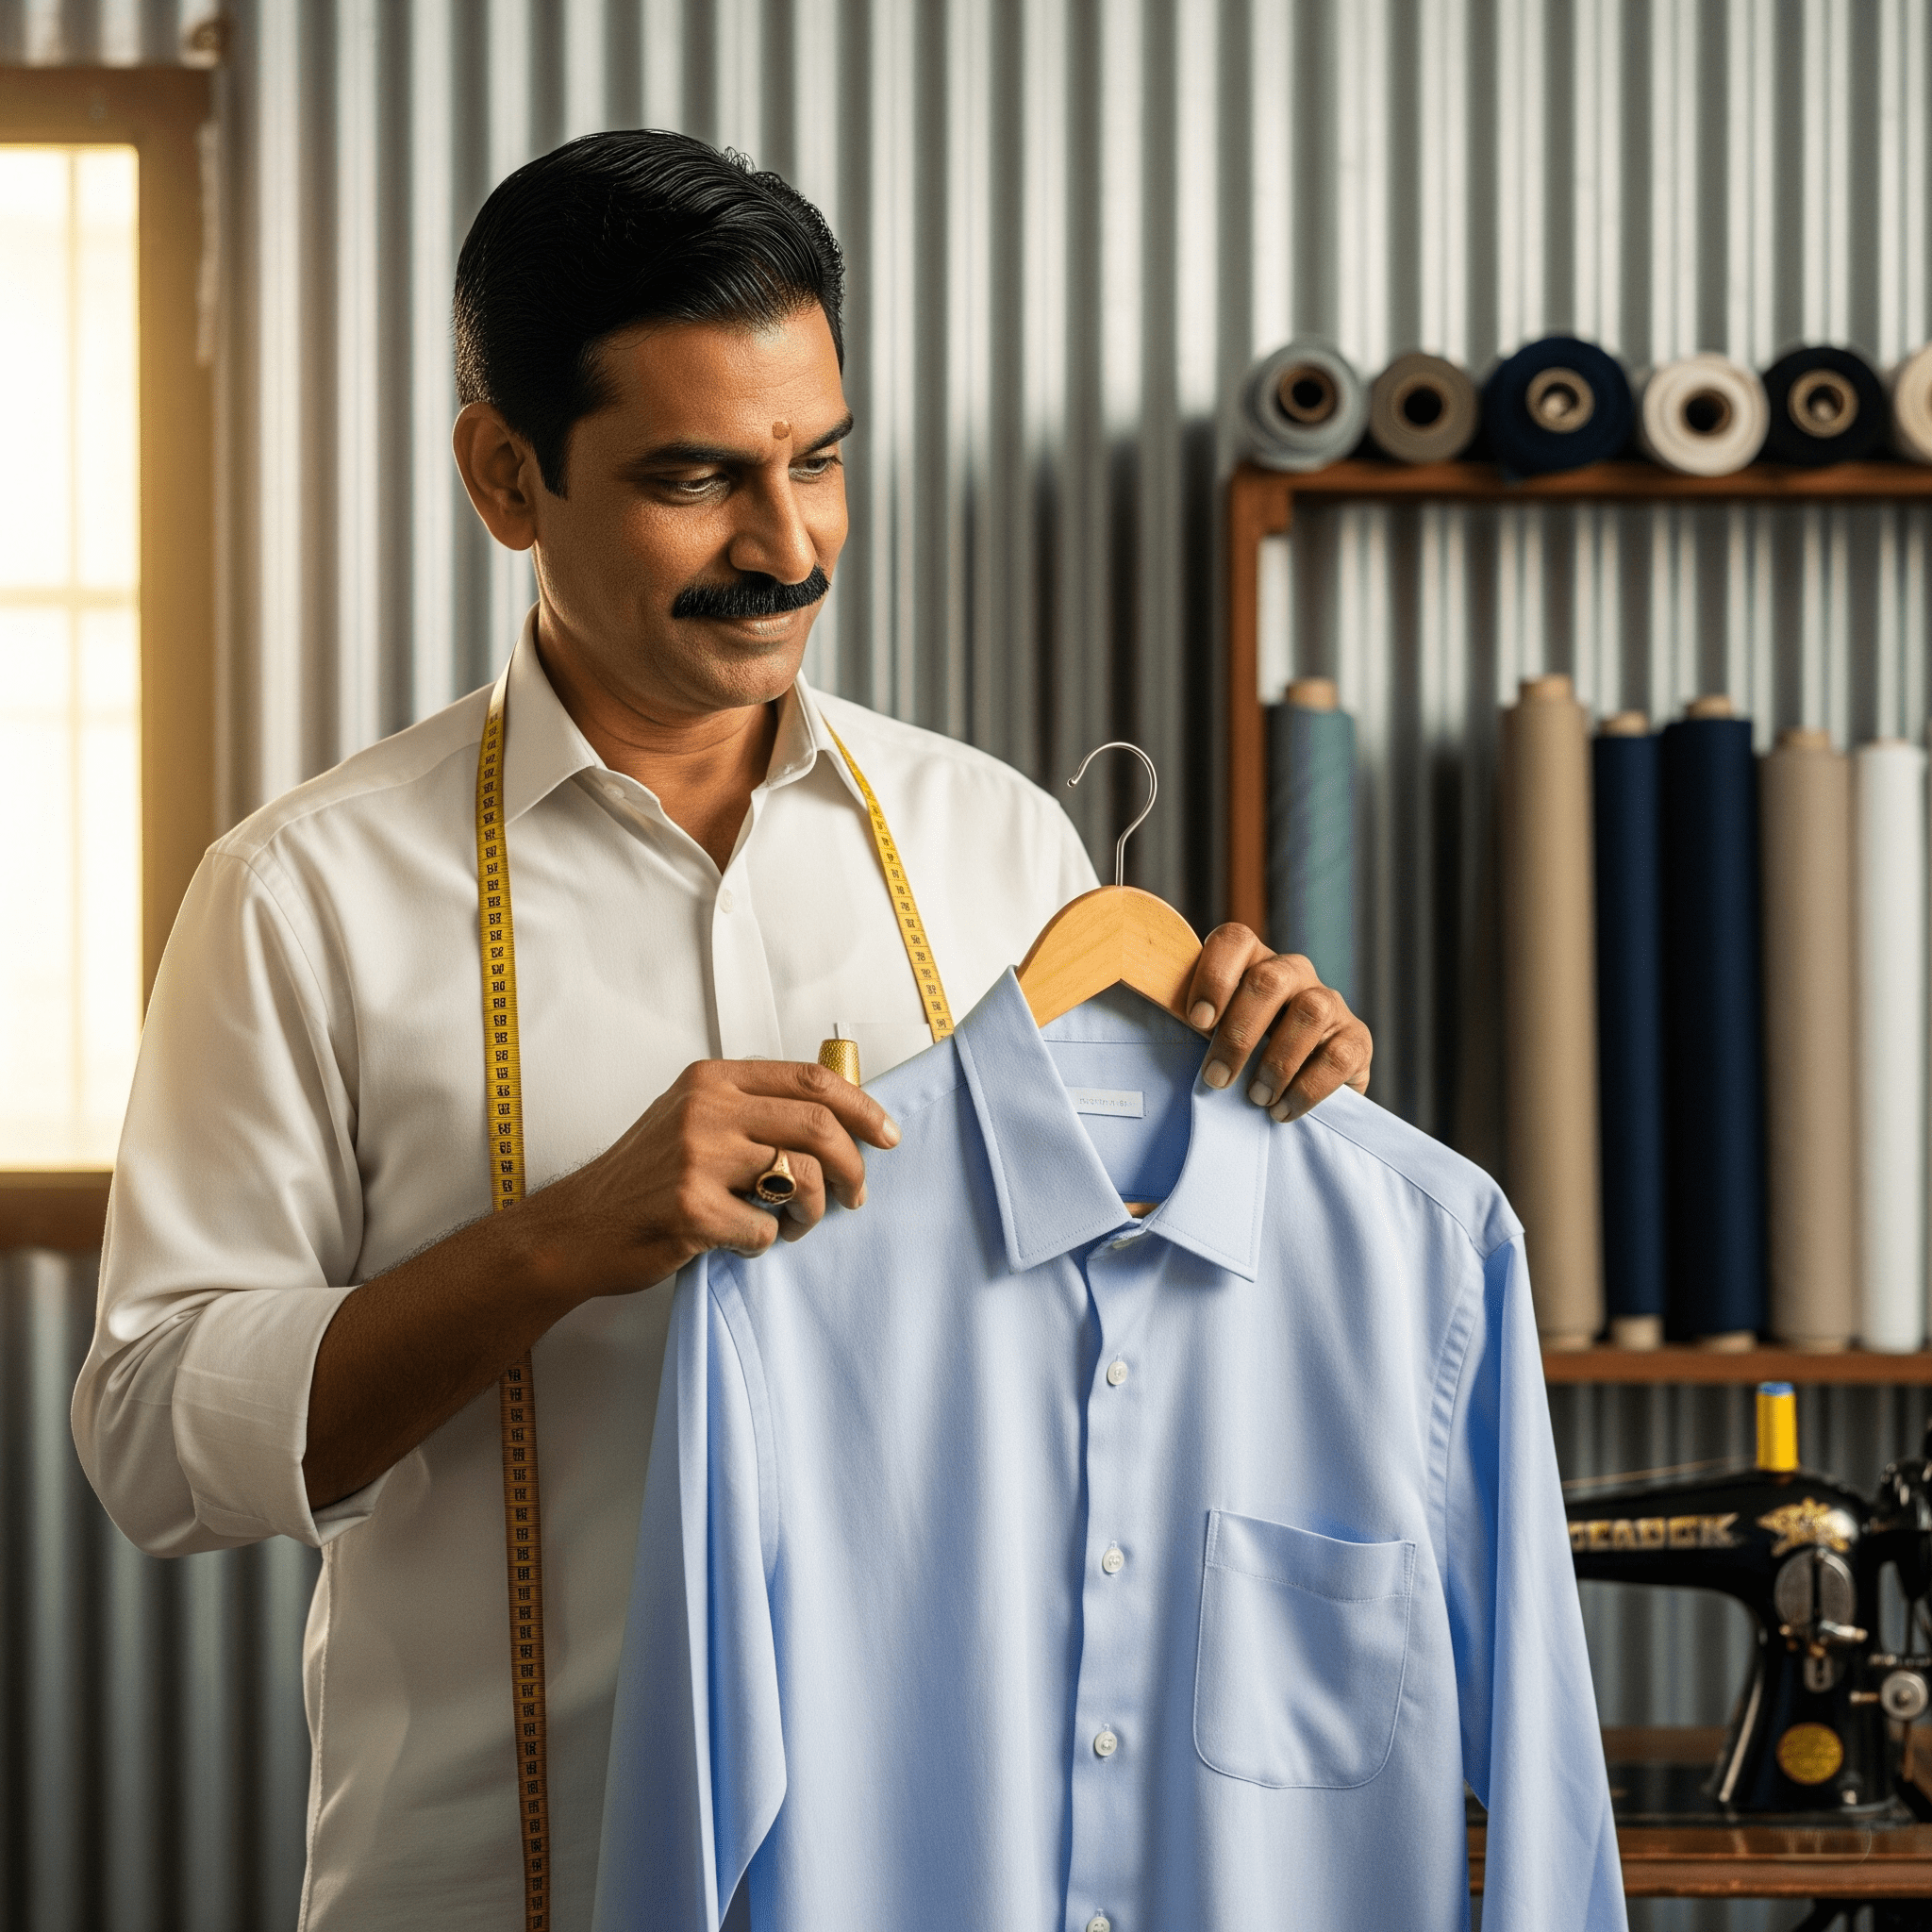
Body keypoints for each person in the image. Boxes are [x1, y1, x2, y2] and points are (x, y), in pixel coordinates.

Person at [74, 131, 1372, 1931]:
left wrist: (1268, 1096)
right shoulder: (304, 893)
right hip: (502, 1877)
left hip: (945, 1868)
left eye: (818, 460)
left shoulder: (1001, 849)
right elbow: (152, 1443)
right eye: (696, 481)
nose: (788, 544)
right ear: (506, 476)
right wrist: (557, 1241)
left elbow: (1133, 1349)